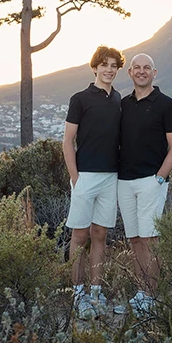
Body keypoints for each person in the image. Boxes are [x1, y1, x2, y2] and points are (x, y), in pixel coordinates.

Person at [114, 53, 172, 314]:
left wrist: (159, 179)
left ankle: (152, 297)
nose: (141, 71)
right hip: (124, 182)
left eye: (147, 68)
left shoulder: (167, 105)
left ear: (155, 73)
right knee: (134, 240)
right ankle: (141, 292)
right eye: (137, 68)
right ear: (130, 72)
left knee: (150, 239)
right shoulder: (123, 104)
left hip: (152, 181)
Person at [62, 45, 124, 319]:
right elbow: (67, 141)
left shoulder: (118, 99)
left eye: (114, 65)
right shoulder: (80, 99)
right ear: (95, 67)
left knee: (100, 235)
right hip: (85, 176)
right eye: (104, 64)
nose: (109, 69)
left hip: (111, 177)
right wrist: (75, 177)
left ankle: (96, 293)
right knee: (79, 236)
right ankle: (78, 295)